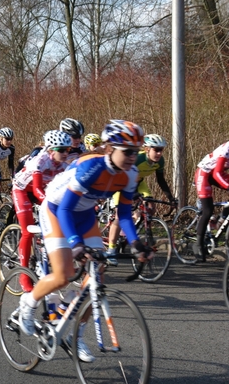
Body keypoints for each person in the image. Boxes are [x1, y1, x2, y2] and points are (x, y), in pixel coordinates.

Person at [17, 119, 150, 364]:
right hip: (57, 211)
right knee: (63, 275)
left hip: (85, 214)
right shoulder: (91, 168)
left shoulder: (130, 174)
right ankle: (28, 302)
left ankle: (74, 334)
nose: (133, 157)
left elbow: (123, 214)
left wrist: (136, 243)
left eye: (136, 151)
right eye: (127, 151)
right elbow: (65, 208)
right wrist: (76, 244)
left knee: (96, 280)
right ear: (109, 149)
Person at [12, 130, 72, 291]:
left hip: (41, 191)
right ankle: (24, 275)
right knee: (27, 231)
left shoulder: (65, 165)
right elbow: (37, 189)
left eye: (68, 149)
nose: (66, 153)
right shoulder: (41, 161)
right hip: (23, 190)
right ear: (51, 150)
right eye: (62, 150)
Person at [107, 133, 175, 263]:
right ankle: (111, 249)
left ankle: (136, 227)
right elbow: (121, 176)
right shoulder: (137, 159)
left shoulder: (160, 161)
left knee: (150, 207)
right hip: (122, 183)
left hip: (139, 183)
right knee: (119, 216)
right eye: (156, 150)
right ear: (147, 149)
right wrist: (131, 194)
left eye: (161, 150)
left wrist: (170, 198)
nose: (159, 153)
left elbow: (161, 180)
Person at [192, 139, 229, 262]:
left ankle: (221, 220)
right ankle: (198, 244)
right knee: (208, 210)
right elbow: (217, 174)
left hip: (217, 173)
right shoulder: (227, 149)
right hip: (205, 173)